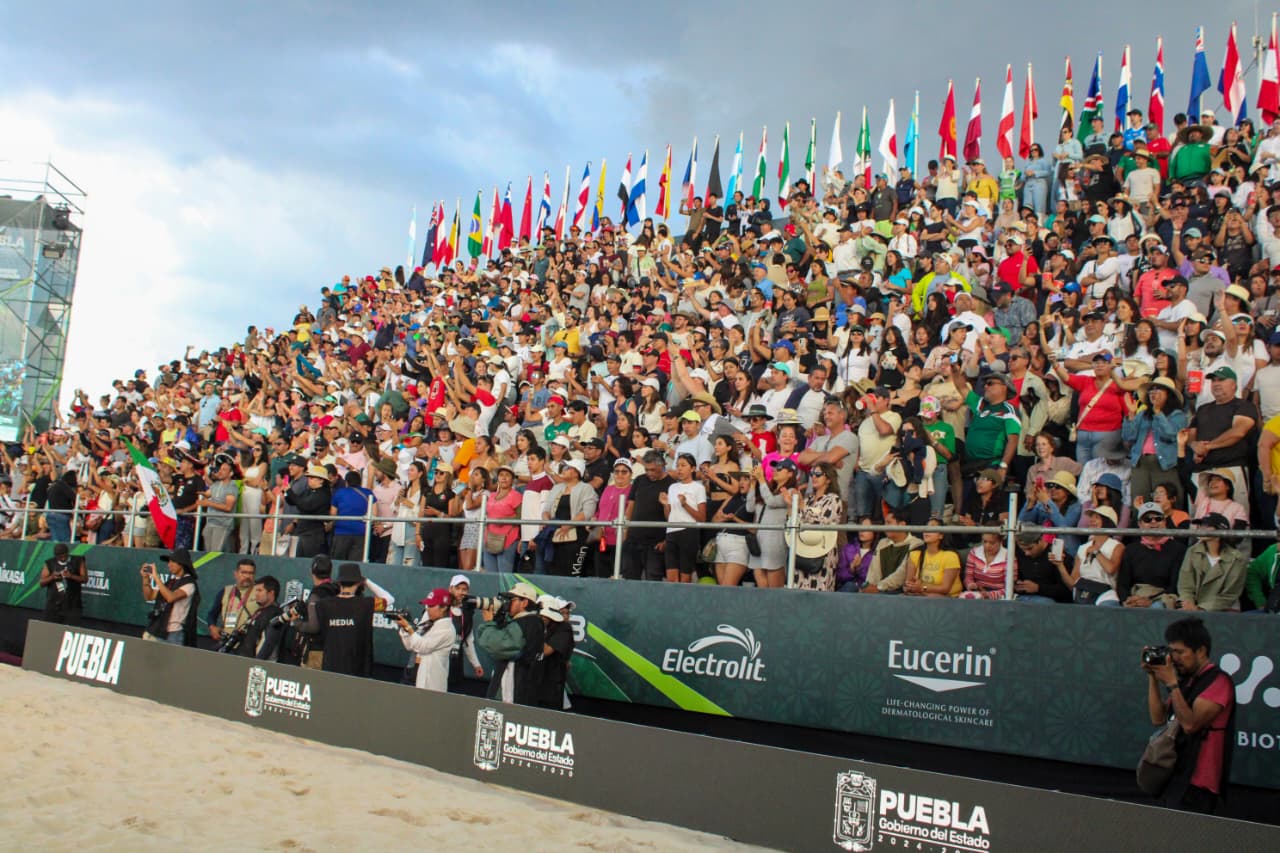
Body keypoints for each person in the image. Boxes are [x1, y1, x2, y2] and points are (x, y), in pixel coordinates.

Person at [1143, 617, 1236, 814]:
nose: (1174, 658)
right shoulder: (1186, 682)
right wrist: (1153, 677)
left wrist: (1172, 684)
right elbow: (1158, 718)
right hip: (1174, 778)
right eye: (1171, 651)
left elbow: (1190, 725)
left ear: (1201, 651)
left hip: (1199, 785)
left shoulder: (1219, 681)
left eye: (1180, 652)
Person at [297, 562, 375, 677]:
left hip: (330, 663)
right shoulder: (365, 604)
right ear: (359, 582)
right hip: (357, 668)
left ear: (338, 582)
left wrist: (296, 623)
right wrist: (367, 581)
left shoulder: (323, 604)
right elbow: (389, 599)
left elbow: (315, 627)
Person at [473, 581, 545, 705]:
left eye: (512, 599)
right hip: (511, 693)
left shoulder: (529, 623)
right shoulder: (520, 622)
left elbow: (498, 647)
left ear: (524, 602)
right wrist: (497, 618)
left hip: (515, 695)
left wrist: (489, 622)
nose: (507, 602)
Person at [1177, 514, 1248, 612]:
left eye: (1206, 526)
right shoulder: (1192, 551)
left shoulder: (1236, 559)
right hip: (1191, 607)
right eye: (1201, 525)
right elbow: (1185, 584)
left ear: (1220, 530)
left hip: (1223, 610)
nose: (1201, 528)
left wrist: (1201, 609)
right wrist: (1189, 603)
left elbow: (1230, 594)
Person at [623, 451, 673, 581]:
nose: (650, 473)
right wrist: (625, 533)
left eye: (653, 470)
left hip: (656, 542)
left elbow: (675, 517)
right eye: (647, 469)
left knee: (653, 580)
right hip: (633, 539)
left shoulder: (672, 485)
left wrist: (666, 541)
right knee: (629, 578)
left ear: (663, 465)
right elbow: (631, 506)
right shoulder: (639, 480)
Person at [395, 587, 456, 692]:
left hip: (433, 684)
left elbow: (423, 647)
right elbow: (410, 646)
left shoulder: (447, 629)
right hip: (418, 676)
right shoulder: (429, 622)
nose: (427, 608)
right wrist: (404, 628)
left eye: (432, 605)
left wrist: (409, 628)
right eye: (427, 605)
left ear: (444, 607)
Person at [660, 453, 706, 583]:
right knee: (671, 577)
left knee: (685, 576)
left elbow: (702, 518)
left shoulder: (698, 488)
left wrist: (685, 505)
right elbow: (669, 516)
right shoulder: (672, 487)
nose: (679, 469)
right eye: (677, 465)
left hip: (688, 532)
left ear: (692, 469)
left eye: (683, 465)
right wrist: (665, 505)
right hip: (671, 532)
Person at [140, 548, 200, 646]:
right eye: (169, 562)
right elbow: (149, 596)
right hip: (157, 629)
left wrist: (156, 577)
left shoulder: (189, 584)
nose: (169, 565)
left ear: (182, 564)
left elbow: (170, 597)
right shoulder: (171, 582)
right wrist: (145, 579)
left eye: (173, 562)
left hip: (173, 634)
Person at [206, 558, 259, 647]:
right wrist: (212, 627)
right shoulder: (226, 590)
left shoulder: (259, 591)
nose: (247, 576)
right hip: (226, 641)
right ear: (236, 574)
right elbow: (212, 614)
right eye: (244, 572)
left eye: (251, 573)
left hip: (247, 644)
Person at [535, 594, 575, 710]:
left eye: (567, 612)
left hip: (550, 690)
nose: (566, 616)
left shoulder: (564, 629)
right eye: (562, 612)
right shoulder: (540, 626)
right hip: (532, 685)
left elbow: (545, 651)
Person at [445, 574, 484, 691]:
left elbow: (468, 640)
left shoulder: (467, 613)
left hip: (456, 662)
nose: (461, 592)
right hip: (440, 661)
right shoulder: (441, 608)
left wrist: (476, 664)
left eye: (464, 589)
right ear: (450, 589)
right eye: (458, 588)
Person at [235, 576, 287, 660]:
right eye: (256, 590)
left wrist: (257, 663)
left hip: (256, 665)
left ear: (271, 593)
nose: (256, 594)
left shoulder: (275, 614)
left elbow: (268, 643)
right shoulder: (259, 611)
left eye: (260, 590)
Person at [329, 470, 374, 560]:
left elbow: (332, 514)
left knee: (338, 563)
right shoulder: (368, 493)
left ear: (346, 482)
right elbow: (374, 513)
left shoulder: (340, 493)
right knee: (355, 565)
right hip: (361, 532)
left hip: (342, 532)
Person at [39, 543, 86, 625]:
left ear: (68, 552)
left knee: (70, 630)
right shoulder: (50, 563)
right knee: (49, 630)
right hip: (53, 605)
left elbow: (85, 579)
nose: (63, 558)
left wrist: (71, 576)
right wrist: (52, 577)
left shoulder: (78, 561)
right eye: (60, 557)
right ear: (56, 556)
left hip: (72, 604)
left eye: (65, 555)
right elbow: (42, 583)